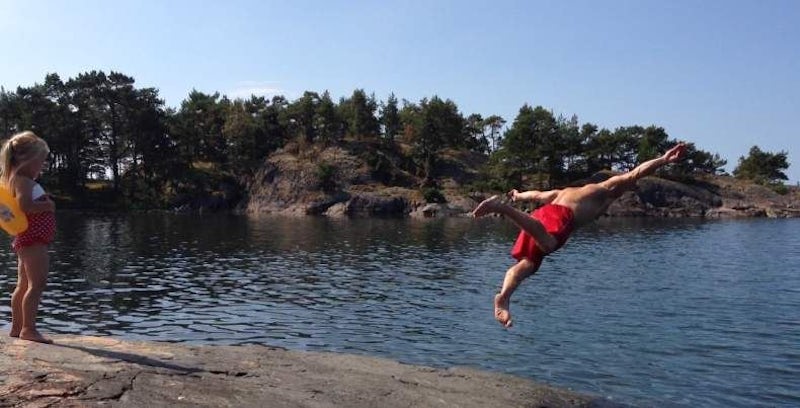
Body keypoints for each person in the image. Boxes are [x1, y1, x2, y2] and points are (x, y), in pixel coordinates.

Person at [472, 143, 687, 328]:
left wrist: (518, 196)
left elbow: (536, 195)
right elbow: (635, 173)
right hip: (558, 218)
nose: (626, 189)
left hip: (539, 217)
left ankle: (504, 297)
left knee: (528, 264)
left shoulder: (562, 192)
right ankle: (502, 209)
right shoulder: (602, 189)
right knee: (548, 244)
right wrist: (664, 159)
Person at [1, 131, 56, 343]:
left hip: (27, 239)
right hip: (34, 240)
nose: (42, 167)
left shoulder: (16, 180)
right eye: (40, 162)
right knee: (37, 284)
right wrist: (47, 205)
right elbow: (24, 206)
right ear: (27, 160)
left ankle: (16, 328)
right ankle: (28, 329)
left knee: (23, 285)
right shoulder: (23, 181)